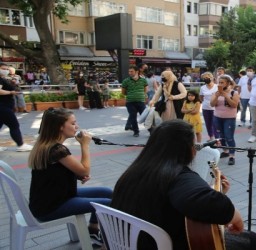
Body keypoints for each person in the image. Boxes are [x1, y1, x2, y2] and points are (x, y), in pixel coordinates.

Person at [110, 119, 256, 250]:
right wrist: (234, 215)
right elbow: (206, 201)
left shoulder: (134, 171)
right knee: (253, 241)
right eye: (194, 145)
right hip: (162, 244)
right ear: (187, 149)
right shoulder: (178, 176)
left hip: (127, 243)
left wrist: (219, 194)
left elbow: (174, 204)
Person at [28, 108, 112, 246]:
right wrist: (84, 145)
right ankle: (111, 242)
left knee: (106, 192)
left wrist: (76, 175)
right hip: (52, 206)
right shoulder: (57, 150)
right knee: (108, 204)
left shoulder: (45, 145)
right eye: (73, 123)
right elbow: (85, 171)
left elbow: (55, 172)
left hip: (52, 198)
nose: (77, 127)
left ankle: (92, 229)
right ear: (60, 127)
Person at [0, 63, 33, 152]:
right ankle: (20, 144)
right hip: (3, 107)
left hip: (5, 106)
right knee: (14, 125)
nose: (6, 71)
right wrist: (11, 93)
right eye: (3, 68)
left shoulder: (4, 79)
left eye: (7, 69)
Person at [210, 75, 240, 165]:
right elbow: (212, 104)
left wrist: (226, 96)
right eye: (219, 82)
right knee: (221, 136)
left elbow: (234, 105)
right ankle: (225, 151)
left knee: (229, 137)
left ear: (228, 83)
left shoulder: (234, 93)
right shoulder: (215, 93)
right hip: (217, 117)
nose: (220, 84)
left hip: (229, 118)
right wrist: (216, 96)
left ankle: (232, 156)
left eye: (222, 83)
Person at [121, 66, 148, 137]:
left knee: (145, 116)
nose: (130, 73)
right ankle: (136, 131)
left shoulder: (143, 80)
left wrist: (141, 96)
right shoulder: (126, 81)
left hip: (141, 101)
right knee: (133, 116)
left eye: (131, 71)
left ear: (137, 72)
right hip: (130, 102)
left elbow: (145, 90)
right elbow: (123, 92)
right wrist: (131, 94)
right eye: (129, 71)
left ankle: (151, 130)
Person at [199, 72, 219, 140]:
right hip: (205, 107)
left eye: (207, 78)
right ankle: (211, 137)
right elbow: (201, 97)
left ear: (211, 78)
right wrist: (204, 102)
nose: (205, 79)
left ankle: (217, 138)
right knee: (208, 123)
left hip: (215, 108)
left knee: (215, 124)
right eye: (204, 78)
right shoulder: (202, 87)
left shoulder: (217, 86)